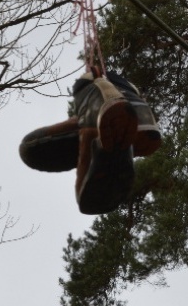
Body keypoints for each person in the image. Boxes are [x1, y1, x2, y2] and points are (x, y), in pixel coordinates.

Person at [19, 72, 161, 215]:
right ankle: (121, 119)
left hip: (101, 90)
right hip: (122, 96)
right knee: (29, 148)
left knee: (28, 147)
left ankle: (95, 116)